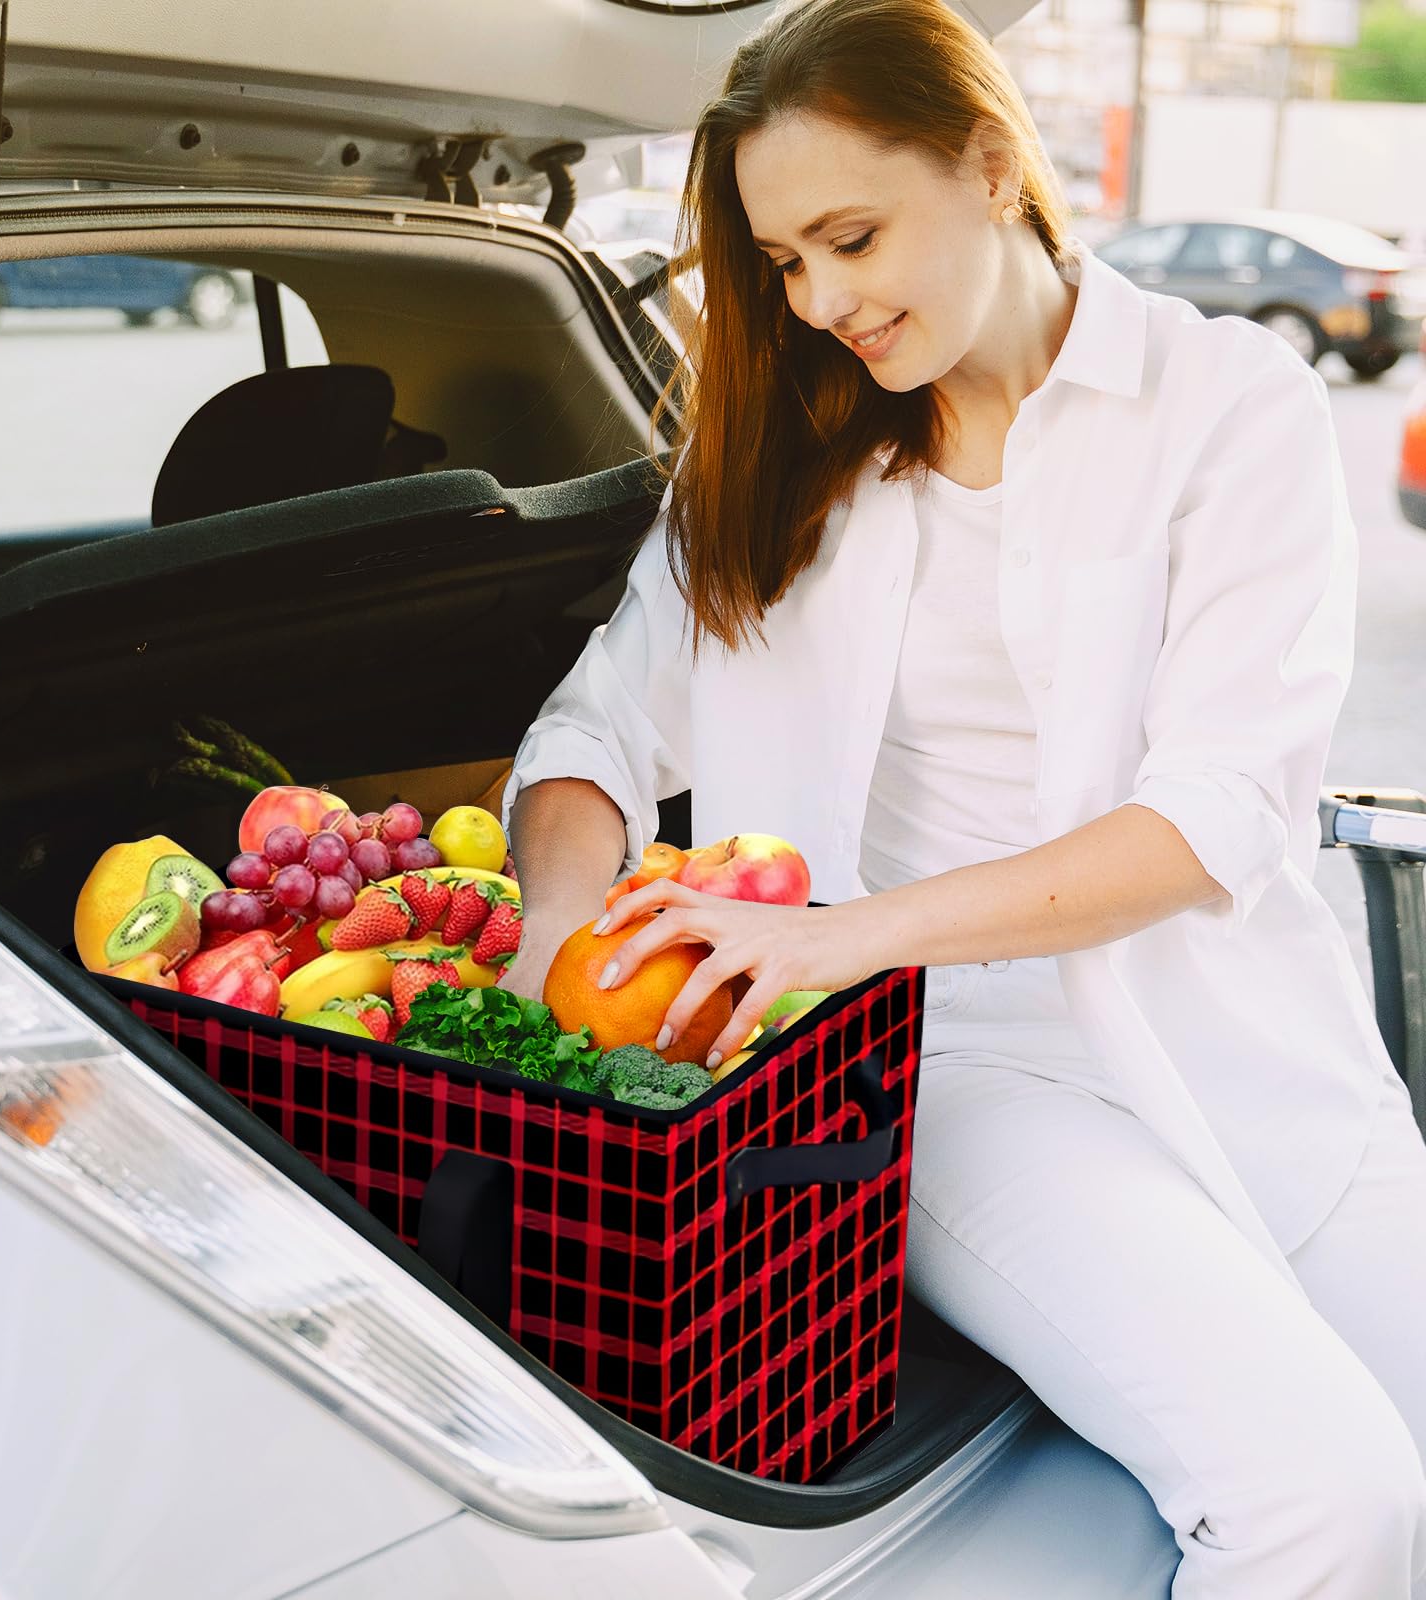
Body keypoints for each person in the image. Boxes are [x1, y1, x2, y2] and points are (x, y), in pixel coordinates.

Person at [496, 0, 1426, 1591]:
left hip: (1244, 1041)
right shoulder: (775, 463)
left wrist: (831, 933)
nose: (823, 299)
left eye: (852, 236)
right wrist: (560, 945)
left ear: (992, 165)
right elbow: (589, 742)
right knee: (1323, 1505)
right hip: (944, 1070)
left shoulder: (1229, 407)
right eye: (784, 264)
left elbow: (1212, 817)